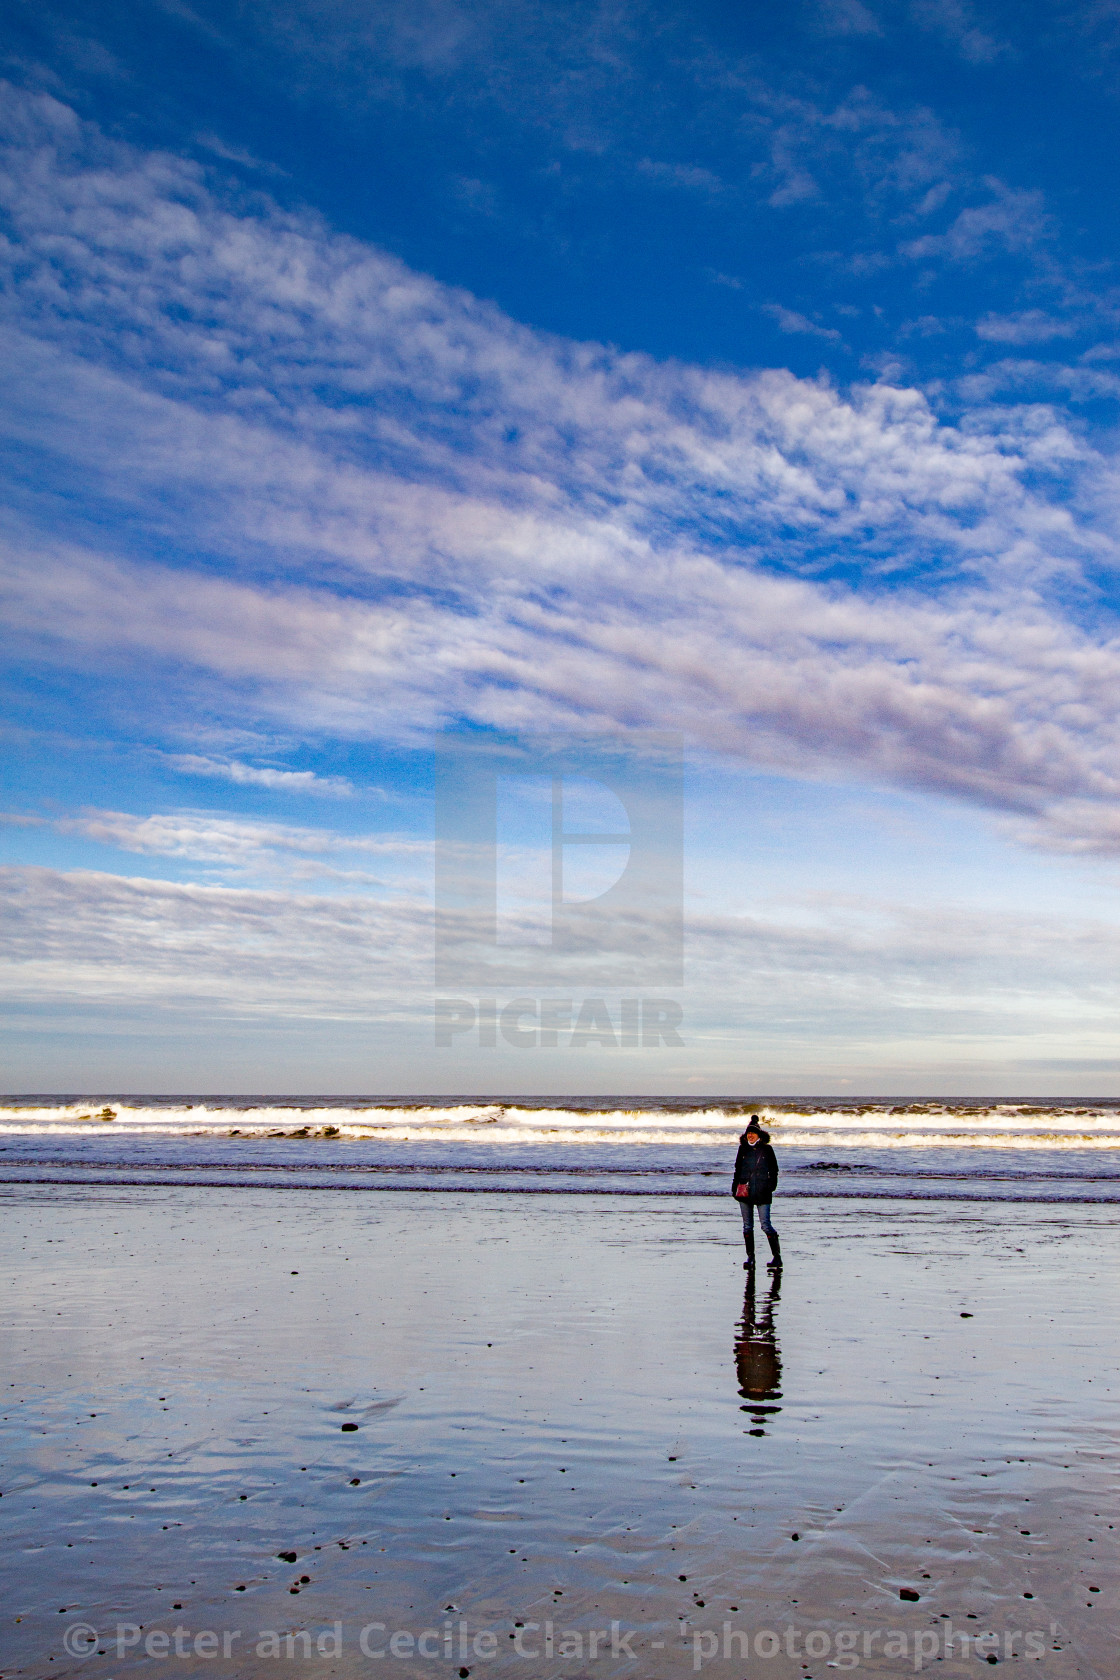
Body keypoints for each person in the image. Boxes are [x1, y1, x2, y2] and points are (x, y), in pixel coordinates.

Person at [731, 1115, 781, 1271]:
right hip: (744, 1191)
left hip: (762, 1192)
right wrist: (735, 1188)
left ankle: (777, 1257)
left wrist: (771, 1186)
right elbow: (737, 1170)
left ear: (759, 1135)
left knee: (765, 1225)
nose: (750, 1135)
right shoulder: (742, 1149)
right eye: (748, 1133)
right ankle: (750, 1258)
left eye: (753, 1133)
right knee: (747, 1227)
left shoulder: (767, 1149)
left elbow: (774, 1170)